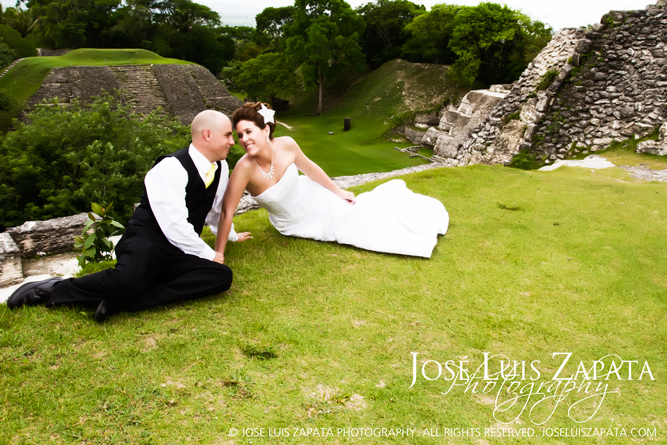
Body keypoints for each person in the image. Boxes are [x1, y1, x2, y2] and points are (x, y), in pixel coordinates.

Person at [7, 110, 250, 322]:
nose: (232, 141)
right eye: (228, 135)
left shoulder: (221, 167)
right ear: (207, 135)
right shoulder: (170, 168)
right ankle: (55, 288)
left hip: (179, 249)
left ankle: (123, 302)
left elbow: (214, 210)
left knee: (220, 277)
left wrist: (231, 236)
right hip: (148, 240)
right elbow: (173, 225)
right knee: (127, 280)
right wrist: (210, 254)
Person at [214, 102, 448, 261]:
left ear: (265, 130)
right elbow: (227, 211)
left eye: (248, 132)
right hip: (294, 224)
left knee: (359, 212)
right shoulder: (244, 168)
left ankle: (418, 223)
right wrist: (220, 253)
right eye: (239, 135)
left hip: (318, 198)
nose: (243, 139)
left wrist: (338, 191)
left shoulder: (286, 144)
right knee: (349, 229)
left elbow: (311, 169)